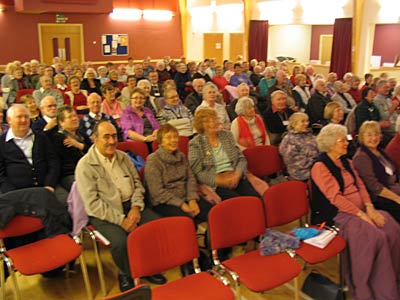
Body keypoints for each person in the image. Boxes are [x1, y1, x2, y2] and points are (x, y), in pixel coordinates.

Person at [310, 123, 400, 300]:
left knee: (393, 228)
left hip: (360, 209)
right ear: (330, 143)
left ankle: (393, 282)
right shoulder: (320, 166)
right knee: (375, 237)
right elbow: (335, 198)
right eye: (342, 140)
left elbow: (360, 186)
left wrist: (370, 208)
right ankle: (367, 289)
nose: (346, 143)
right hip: (337, 215)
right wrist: (362, 215)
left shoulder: (347, 161)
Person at [75, 121, 166, 292]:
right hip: (105, 212)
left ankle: (147, 267)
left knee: (154, 227)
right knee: (120, 242)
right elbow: (92, 204)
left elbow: (138, 185)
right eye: (106, 137)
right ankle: (126, 272)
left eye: (114, 136)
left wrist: (136, 207)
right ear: (94, 139)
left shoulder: (123, 157)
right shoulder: (85, 166)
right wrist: (121, 220)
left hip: (131, 205)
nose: (111, 141)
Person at [145, 123, 212, 223]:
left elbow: (190, 178)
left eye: (175, 137)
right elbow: (157, 192)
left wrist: (192, 199)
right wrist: (182, 204)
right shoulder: (153, 160)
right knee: (187, 223)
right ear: (161, 142)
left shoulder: (181, 156)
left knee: (213, 214)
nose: (173, 140)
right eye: (168, 137)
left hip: (186, 196)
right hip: (165, 202)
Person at [189, 108, 260, 200]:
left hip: (235, 176)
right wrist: (219, 180)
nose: (212, 123)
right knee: (237, 203)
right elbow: (197, 172)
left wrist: (237, 174)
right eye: (207, 121)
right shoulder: (195, 143)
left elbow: (241, 159)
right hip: (216, 183)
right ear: (200, 125)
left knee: (255, 199)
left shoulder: (227, 135)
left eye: (214, 119)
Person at [0, 104, 59, 194]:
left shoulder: (41, 137)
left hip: (45, 187)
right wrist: (12, 193)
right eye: (19, 117)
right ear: (9, 120)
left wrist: (50, 184)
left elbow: (53, 162)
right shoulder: (1, 142)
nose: (23, 120)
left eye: (26, 117)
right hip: (16, 192)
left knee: (63, 202)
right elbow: (1, 174)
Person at [353, 121, 400, 223]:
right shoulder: (362, 157)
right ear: (362, 137)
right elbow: (374, 187)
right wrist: (397, 199)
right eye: (369, 135)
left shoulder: (380, 151)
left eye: (376, 134)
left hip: (394, 189)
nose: (374, 138)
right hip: (381, 198)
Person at [52, 106, 91, 191]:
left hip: (89, 169)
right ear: (61, 122)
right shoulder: (59, 138)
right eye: (70, 117)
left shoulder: (82, 134)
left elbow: (94, 151)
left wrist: (78, 145)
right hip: (71, 174)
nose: (74, 119)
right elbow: (74, 160)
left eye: (75, 116)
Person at [279, 112, 318, 181]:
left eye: (307, 121)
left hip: (316, 166)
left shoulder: (309, 135)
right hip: (301, 172)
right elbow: (294, 161)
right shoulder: (289, 140)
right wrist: (316, 162)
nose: (306, 123)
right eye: (303, 121)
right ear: (294, 124)